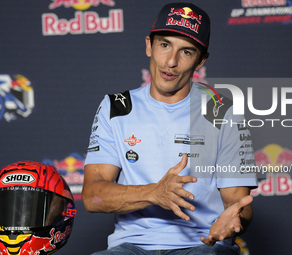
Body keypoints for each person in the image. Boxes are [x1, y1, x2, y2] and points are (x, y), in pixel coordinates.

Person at [82, 2, 257, 255]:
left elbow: (238, 201)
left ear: (200, 61)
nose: (171, 62)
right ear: (148, 46)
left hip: (202, 245)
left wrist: (237, 217)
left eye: (186, 52)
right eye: (164, 45)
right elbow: (92, 195)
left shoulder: (225, 113)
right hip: (132, 247)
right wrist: (154, 193)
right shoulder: (116, 108)